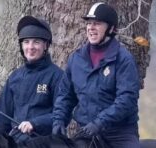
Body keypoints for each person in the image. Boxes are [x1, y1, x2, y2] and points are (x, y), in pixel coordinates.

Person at [52, 2, 140, 148]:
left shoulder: (123, 59)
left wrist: (100, 122)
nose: (90, 28)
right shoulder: (76, 59)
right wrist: (59, 121)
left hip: (120, 134)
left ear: (111, 28)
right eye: (89, 23)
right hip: (87, 132)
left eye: (97, 23)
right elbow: (65, 96)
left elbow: (127, 99)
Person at [0, 15, 63, 146]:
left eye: (36, 42)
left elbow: (63, 114)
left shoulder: (57, 76)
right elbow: (0, 120)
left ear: (45, 45)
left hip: (46, 143)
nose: (30, 47)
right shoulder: (15, 77)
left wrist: (35, 123)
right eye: (26, 42)